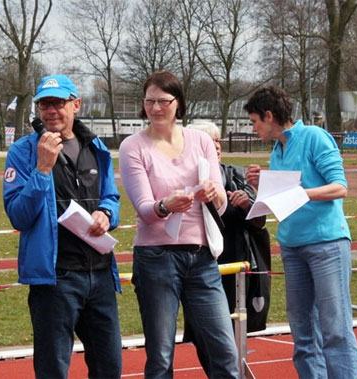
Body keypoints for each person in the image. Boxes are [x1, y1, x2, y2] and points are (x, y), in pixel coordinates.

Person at [119, 71, 239, 378]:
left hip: (202, 258)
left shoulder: (200, 141)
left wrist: (214, 194)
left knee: (224, 351)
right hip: (156, 258)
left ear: (178, 103)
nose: (156, 108)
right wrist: (165, 206)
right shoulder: (133, 147)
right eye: (149, 101)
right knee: (160, 356)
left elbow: (221, 205)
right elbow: (145, 209)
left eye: (163, 101)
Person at [3, 75, 122, 379]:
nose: (51, 110)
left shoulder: (96, 147)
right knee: (53, 368)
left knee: (109, 367)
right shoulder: (23, 152)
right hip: (55, 279)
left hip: (100, 274)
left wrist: (107, 213)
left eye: (58, 103)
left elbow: (111, 196)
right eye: (44, 104)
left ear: (76, 105)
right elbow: (18, 215)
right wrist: (42, 168)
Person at [244, 86, 357, 378]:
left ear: (269, 116)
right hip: (292, 247)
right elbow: (284, 199)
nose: (253, 129)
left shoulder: (314, 136)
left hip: (327, 245)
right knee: (302, 332)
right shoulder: (277, 150)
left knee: (335, 329)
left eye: (254, 121)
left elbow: (340, 187)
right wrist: (263, 188)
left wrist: (302, 193)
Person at [184, 121, 271, 373]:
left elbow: (259, 222)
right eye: (209, 142)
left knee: (232, 333)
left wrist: (248, 203)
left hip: (236, 264)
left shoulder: (235, 174)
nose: (216, 147)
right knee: (204, 334)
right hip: (200, 265)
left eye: (218, 141)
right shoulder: (185, 180)